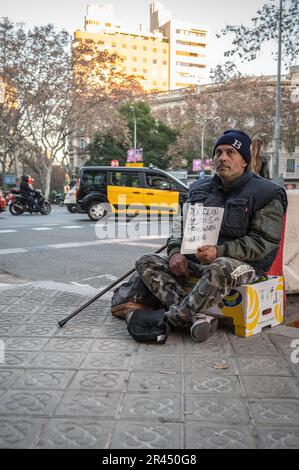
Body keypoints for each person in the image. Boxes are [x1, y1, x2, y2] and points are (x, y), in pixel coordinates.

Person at [135, 129, 287, 343]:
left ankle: (171, 318)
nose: (222, 158)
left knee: (221, 266)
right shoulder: (199, 188)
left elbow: (264, 241)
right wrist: (175, 253)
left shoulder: (267, 193)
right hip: (196, 261)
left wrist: (220, 251)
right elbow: (180, 227)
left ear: (244, 161)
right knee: (146, 261)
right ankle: (196, 317)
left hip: (244, 266)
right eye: (218, 153)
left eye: (230, 153)